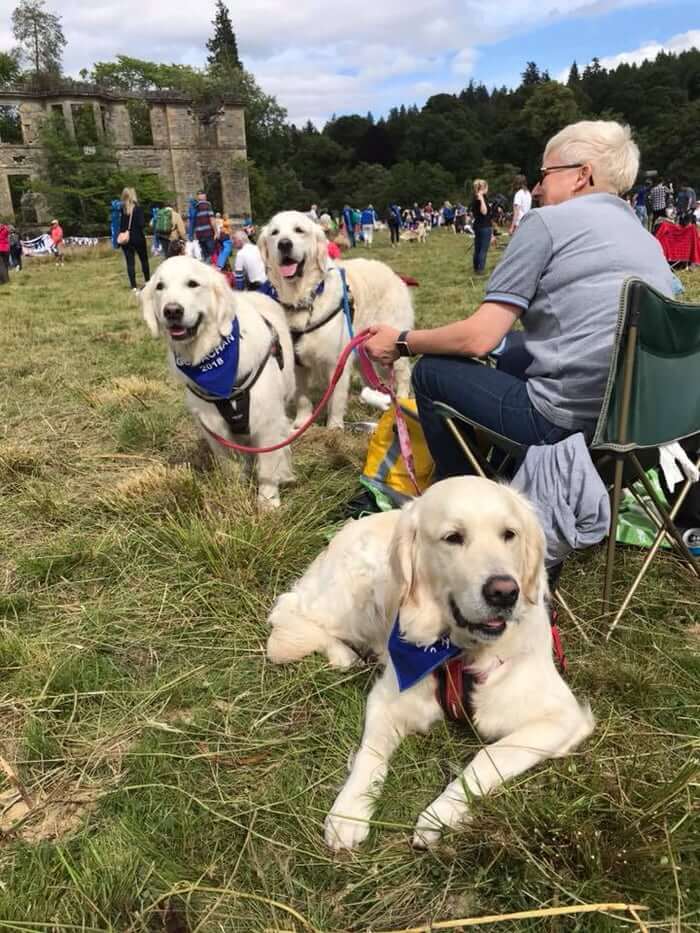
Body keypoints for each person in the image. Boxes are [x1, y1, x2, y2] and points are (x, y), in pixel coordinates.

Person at [363, 120, 676, 484]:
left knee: (432, 372)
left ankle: (466, 500)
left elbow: (479, 338)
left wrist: (401, 341)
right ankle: (510, 473)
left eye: (545, 173)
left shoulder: (546, 223)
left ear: (581, 175)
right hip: (643, 437)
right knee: (514, 351)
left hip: (566, 432)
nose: (538, 187)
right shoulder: (646, 238)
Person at [118, 188, 149, 291]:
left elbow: (121, 226)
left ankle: (133, 286)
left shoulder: (122, 210)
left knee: (130, 263)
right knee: (144, 260)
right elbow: (141, 224)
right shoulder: (138, 209)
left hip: (126, 241)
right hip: (138, 238)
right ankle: (148, 282)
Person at [470, 179, 493, 274]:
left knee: (478, 248)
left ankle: (476, 267)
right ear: (484, 188)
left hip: (478, 225)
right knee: (483, 248)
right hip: (484, 226)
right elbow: (484, 211)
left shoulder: (475, 197)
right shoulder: (481, 198)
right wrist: (483, 200)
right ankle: (480, 269)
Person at [193, 190, 217, 261]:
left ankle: (206, 267)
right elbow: (212, 220)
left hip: (199, 235)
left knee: (205, 254)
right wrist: (216, 232)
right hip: (208, 233)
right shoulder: (207, 205)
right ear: (205, 196)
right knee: (211, 254)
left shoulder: (195, 207)